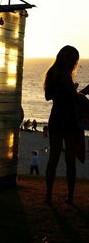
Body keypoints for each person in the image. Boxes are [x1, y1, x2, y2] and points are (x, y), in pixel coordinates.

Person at [43, 45, 88, 205]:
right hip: (68, 120)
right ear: (70, 59)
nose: (75, 63)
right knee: (70, 159)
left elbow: (49, 96)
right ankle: (70, 196)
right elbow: (72, 99)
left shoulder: (51, 73)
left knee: (53, 158)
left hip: (55, 118)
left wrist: (69, 91)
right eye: (75, 60)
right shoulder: (65, 75)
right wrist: (83, 91)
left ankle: (48, 195)